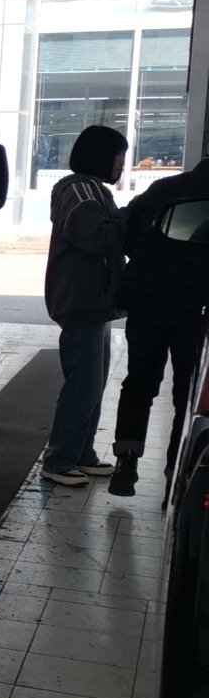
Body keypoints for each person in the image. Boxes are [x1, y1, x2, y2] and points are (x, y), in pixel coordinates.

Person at [108, 155, 209, 497]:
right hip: (196, 309)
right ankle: (175, 475)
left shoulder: (163, 188)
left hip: (147, 300)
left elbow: (128, 235)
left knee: (139, 381)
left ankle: (126, 461)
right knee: (188, 393)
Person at [40, 124, 128, 487]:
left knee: (94, 383)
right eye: (119, 156)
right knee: (83, 385)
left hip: (97, 303)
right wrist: (131, 216)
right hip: (81, 302)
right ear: (101, 156)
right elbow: (96, 237)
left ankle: (81, 453)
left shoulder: (93, 190)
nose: (121, 163)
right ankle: (58, 459)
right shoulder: (78, 190)